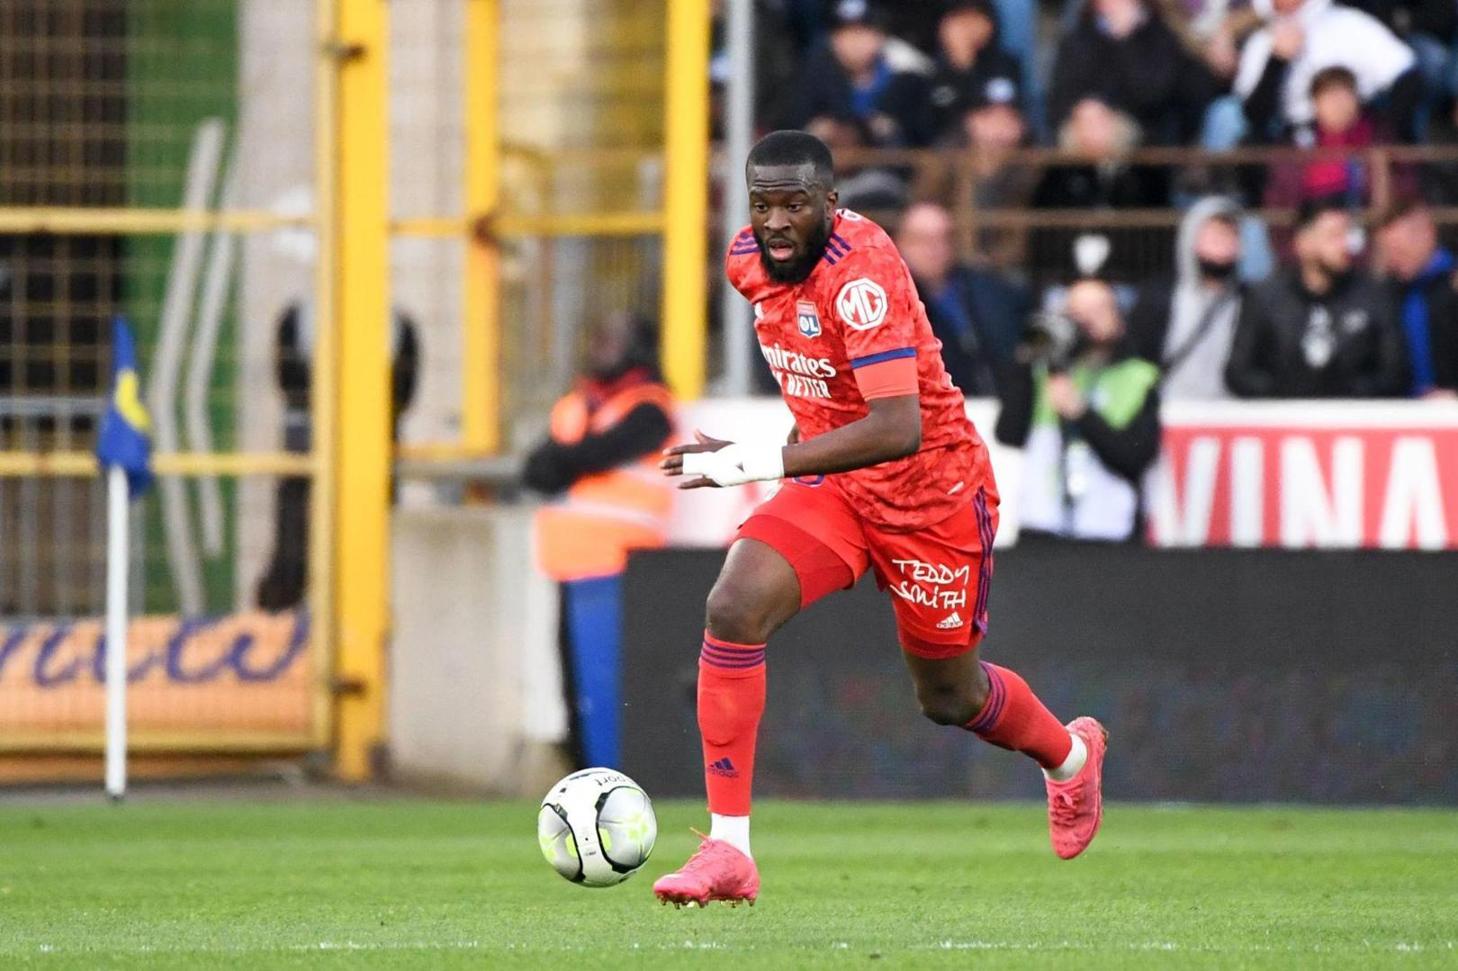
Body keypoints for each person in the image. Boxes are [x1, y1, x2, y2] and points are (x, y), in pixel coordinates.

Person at [651, 131, 1107, 907]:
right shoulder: (745, 264)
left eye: (796, 203)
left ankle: (1069, 755)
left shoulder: (864, 273)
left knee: (949, 698)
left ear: (831, 203)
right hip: (840, 489)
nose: (777, 222)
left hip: (932, 496)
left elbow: (899, 426)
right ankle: (729, 850)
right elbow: (822, 384)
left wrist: (755, 461)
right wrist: (781, 449)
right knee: (734, 603)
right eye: (763, 204)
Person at [524, 311, 675, 770]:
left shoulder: (648, 407)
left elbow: (595, 453)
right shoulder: (576, 404)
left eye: (611, 340)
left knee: (608, 684)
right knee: (574, 685)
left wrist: (569, 458)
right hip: (569, 565)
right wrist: (574, 458)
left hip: (621, 565)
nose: (599, 350)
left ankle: (613, 773)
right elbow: (536, 471)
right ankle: (584, 774)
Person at [996, 278, 1163, 541]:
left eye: (1098, 311)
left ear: (1118, 318)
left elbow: (1135, 456)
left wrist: (1082, 414)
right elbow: (1008, 433)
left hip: (1107, 528)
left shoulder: (1138, 376)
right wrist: (1026, 358)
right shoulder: (1042, 372)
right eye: (1076, 313)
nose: (1086, 322)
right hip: (1042, 524)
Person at [1226, 200, 1408, 397]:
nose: (1345, 245)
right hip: (1284, 420)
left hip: (1352, 421)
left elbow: (1396, 375)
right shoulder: (1264, 297)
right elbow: (1238, 374)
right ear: (1303, 242)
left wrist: (1341, 393)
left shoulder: (1374, 296)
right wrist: (1289, 393)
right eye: (1334, 236)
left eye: (1347, 234)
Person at [1235, 0, 1420, 142]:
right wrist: (1276, 61)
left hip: (1357, 133)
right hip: (1293, 139)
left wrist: (1383, 134)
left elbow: (1408, 75)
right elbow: (1255, 116)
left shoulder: (1348, 23)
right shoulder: (1261, 42)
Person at [895, 201, 1029, 395]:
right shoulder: (892, 300)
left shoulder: (983, 289)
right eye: (923, 240)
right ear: (901, 243)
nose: (934, 249)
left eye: (943, 238)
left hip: (992, 401)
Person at [1047, 0, 1221, 145]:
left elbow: (1151, 95)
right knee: (1072, 138)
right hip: (1083, 124)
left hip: (1143, 128)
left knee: (1117, 137)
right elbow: (1059, 97)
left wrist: (1126, 41)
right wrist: (1085, 111)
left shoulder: (1160, 36)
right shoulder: (1078, 38)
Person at [1128, 196, 1247, 399]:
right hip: (1172, 413)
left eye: (1231, 233)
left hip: (1230, 418)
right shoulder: (1160, 296)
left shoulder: (1250, 301)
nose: (1224, 241)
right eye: (1214, 233)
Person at [783, 0, 933, 147]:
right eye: (844, 34)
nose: (853, 43)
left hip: (889, 167)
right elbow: (791, 128)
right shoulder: (813, 77)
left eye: (861, 33)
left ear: (880, 37)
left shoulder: (907, 73)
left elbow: (922, 135)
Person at [1373, 200, 1458, 397]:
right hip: (1406, 411)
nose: (1394, 261)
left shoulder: (1451, 285)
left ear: (1427, 235)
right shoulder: (1388, 293)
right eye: (1389, 253)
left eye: (1400, 250)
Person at [925, 0, 1024, 141]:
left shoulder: (1006, 65)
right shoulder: (928, 71)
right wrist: (962, 65)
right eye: (961, 20)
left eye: (975, 19)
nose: (969, 28)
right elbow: (929, 124)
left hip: (1002, 144)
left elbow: (1013, 109)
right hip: (947, 150)